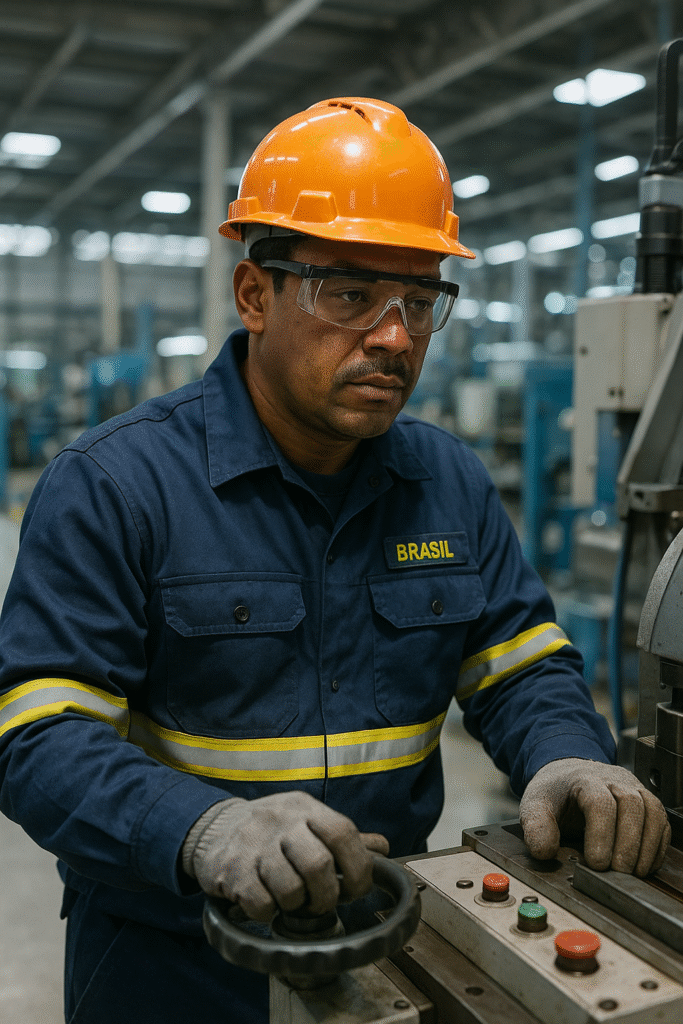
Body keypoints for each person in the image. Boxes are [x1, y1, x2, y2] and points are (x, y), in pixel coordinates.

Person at [0, 97, 670, 1023]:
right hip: (169, 962)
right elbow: (38, 736)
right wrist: (201, 827)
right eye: (348, 293)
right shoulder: (117, 486)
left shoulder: (447, 482)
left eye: (419, 299)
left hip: (393, 941)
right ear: (253, 294)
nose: (393, 335)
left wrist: (565, 756)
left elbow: (518, 664)